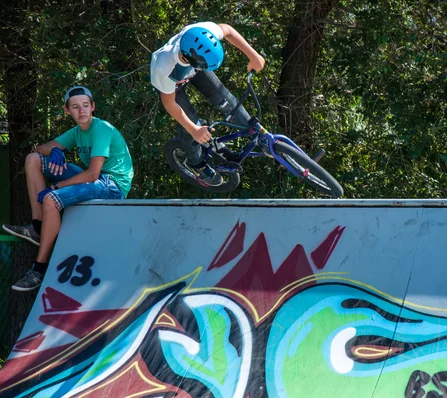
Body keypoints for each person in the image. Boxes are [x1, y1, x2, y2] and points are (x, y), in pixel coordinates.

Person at [2, 86, 134, 291]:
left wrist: (56, 186)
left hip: (112, 185)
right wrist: (55, 150)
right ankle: (37, 228)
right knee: (33, 160)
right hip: (95, 178)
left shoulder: (102, 129)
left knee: (51, 199)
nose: (81, 111)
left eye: (85, 106)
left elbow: (92, 174)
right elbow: (40, 149)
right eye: (75, 107)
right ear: (67, 110)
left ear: (93, 107)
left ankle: (38, 269)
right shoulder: (76, 132)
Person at [150, 21, 265, 186]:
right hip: (173, 86)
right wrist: (194, 129)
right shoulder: (164, 67)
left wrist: (253, 56)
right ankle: (197, 164)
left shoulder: (203, 33)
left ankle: (255, 132)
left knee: (223, 97)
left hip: (193, 65)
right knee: (191, 126)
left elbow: (227, 30)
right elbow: (169, 103)